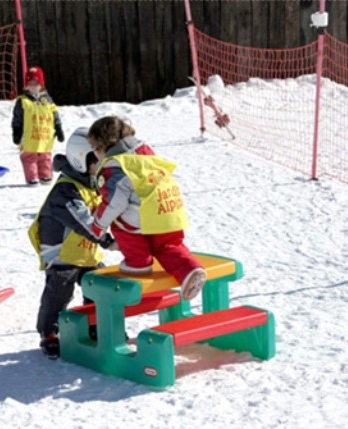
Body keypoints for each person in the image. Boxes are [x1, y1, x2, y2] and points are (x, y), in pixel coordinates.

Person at [87, 116, 207, 301]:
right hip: (168, 207)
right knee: (168, 244)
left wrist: (97, 225)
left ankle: (138, 263)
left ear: (102, 147)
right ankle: (191, 270)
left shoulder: (114, 166)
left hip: (142, 216)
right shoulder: (145, 151)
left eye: (95, 149)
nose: (95, 155)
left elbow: (114, 203)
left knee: (119, 224)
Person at [28, 128, 116, 359]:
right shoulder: (65, 190)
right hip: (62, 254)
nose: (103, 165)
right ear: (80, 159)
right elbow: (83, 221)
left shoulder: (93, 183)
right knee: (59, 292)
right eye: (98, 160)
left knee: (100, 286)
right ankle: (49, 332)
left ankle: (96, 326)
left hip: (85, 252)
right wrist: (107, 241)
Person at [11, 66, 64, 186]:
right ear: (26, 86)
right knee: (30, 158)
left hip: (45, 136)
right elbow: (17, 119)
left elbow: (54, 114)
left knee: (45, 157)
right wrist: (16, 132)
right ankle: (32, 177)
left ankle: (45, 175)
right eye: (30, 83)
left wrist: (58, 127)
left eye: (36, 83)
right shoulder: (23, 101)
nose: (33, 86)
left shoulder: (48, 100)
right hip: (29, 137)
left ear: (41, 84)